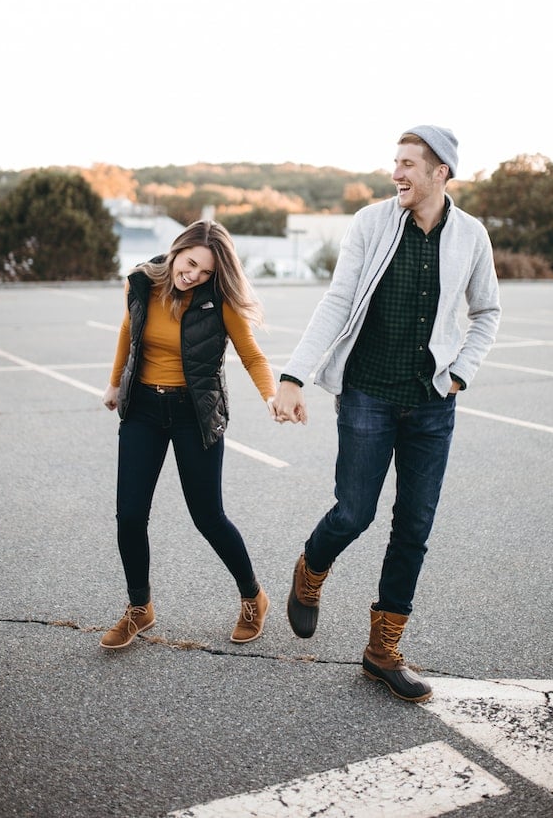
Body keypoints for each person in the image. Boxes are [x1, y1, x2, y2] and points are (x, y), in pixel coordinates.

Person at [271, 125, 501, 703]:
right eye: (395, 162)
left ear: (440, 172)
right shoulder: (371, 223)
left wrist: (459, 373)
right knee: (354, 513)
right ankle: (311, 569)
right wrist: (294, 376)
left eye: (408, 164)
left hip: (431, 403)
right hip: (368, 393)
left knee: (414, 528)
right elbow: (338, 301)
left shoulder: (471, 235)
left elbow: (488, 311)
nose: (396, 173)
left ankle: (382, 650)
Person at [100, 219, 275, 650]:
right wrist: (114, 382)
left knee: (207, 516)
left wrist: (272, 396)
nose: (193, 274)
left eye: (205, 271)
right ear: (177, 250)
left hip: (193, 413)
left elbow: (252, 356)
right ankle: (139, 608)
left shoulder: (218, 299)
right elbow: (128, 330)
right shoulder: (140, 282)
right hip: (142, 407)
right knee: (129, 515)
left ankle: (253, 597)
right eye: (191, 263)